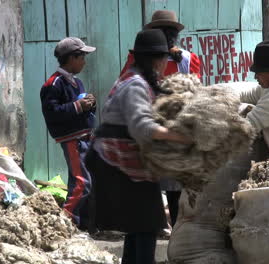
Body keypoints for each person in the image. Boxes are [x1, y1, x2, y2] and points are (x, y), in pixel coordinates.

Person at [85, 29, 191, 264]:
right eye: (164, 59)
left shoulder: (138, 79)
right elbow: (142, 128)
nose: (166, 64)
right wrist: (181, 137)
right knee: (146, 223)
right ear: (157, 60)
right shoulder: (135, 85)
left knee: (140, 227)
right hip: (116, 164)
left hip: (128, 163)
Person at [121, 10, 201, 231]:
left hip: (173, 129)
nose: (168, 35)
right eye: (165, 32)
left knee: (174, 185)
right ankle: (156, 227)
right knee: (151, 183)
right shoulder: (136, 60)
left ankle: (173, 229)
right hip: (148, 128)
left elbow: (195, 91)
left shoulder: (187, 59)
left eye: (171, 32)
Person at [40, 37, 97, 229]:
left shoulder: (77, 83)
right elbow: (52, 113)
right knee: (82, 183)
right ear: (71, 58)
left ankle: (86, 225)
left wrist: (90, 104)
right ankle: (65, 223)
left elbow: (81, 110)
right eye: (82, 57)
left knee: (86, 182)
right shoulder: (53, 84)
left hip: (85, 138)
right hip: (73, 141)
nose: (84, 62)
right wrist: (78, 106)